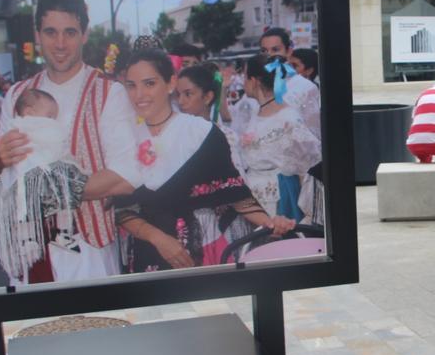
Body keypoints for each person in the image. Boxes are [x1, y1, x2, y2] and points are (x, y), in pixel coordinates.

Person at [0, 0, 143, 284]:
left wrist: (51, 193)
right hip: (30, 247)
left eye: (70, 32)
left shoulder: (109, 93)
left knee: (96, 328)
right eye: (50, 32)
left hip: (88, 248)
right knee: (34, 328)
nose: (60, 44)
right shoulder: (16, 95)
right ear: (38, 35)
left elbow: (125, 177)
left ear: (84, 35)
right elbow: (7, 174)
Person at [114, 50, 295, 271]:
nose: (139, 94)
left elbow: (236, 194)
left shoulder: (200, 132)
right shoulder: (123, 138)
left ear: (170, 83)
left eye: (149, 83)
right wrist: (158, 239)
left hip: (199, 252)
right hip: (146, 252)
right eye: (131, 85)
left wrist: (270, 223)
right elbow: (120, 209)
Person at [0, 88, 91, 284]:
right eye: (50, 115)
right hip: (35, 180)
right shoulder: (32, 126)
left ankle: (35, 242)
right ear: (29, 113)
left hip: (29, 184)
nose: (53, 120)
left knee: (30, 218)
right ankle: (58, 236)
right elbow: (55, 143)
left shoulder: (17, 126)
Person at [235, 54, 322, 222]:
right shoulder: (257, 112)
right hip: (254, 200)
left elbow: (311, 161)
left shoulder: (288, 118)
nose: (243, 81)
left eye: (245, 76)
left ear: (254, 80)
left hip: (279, 201)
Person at [259, 28, 321, 140]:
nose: (269, 55)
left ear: (289, 51)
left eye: (275, 49)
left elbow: (314, 131)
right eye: (264, 51)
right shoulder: (257, 83)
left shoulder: (305, 87)